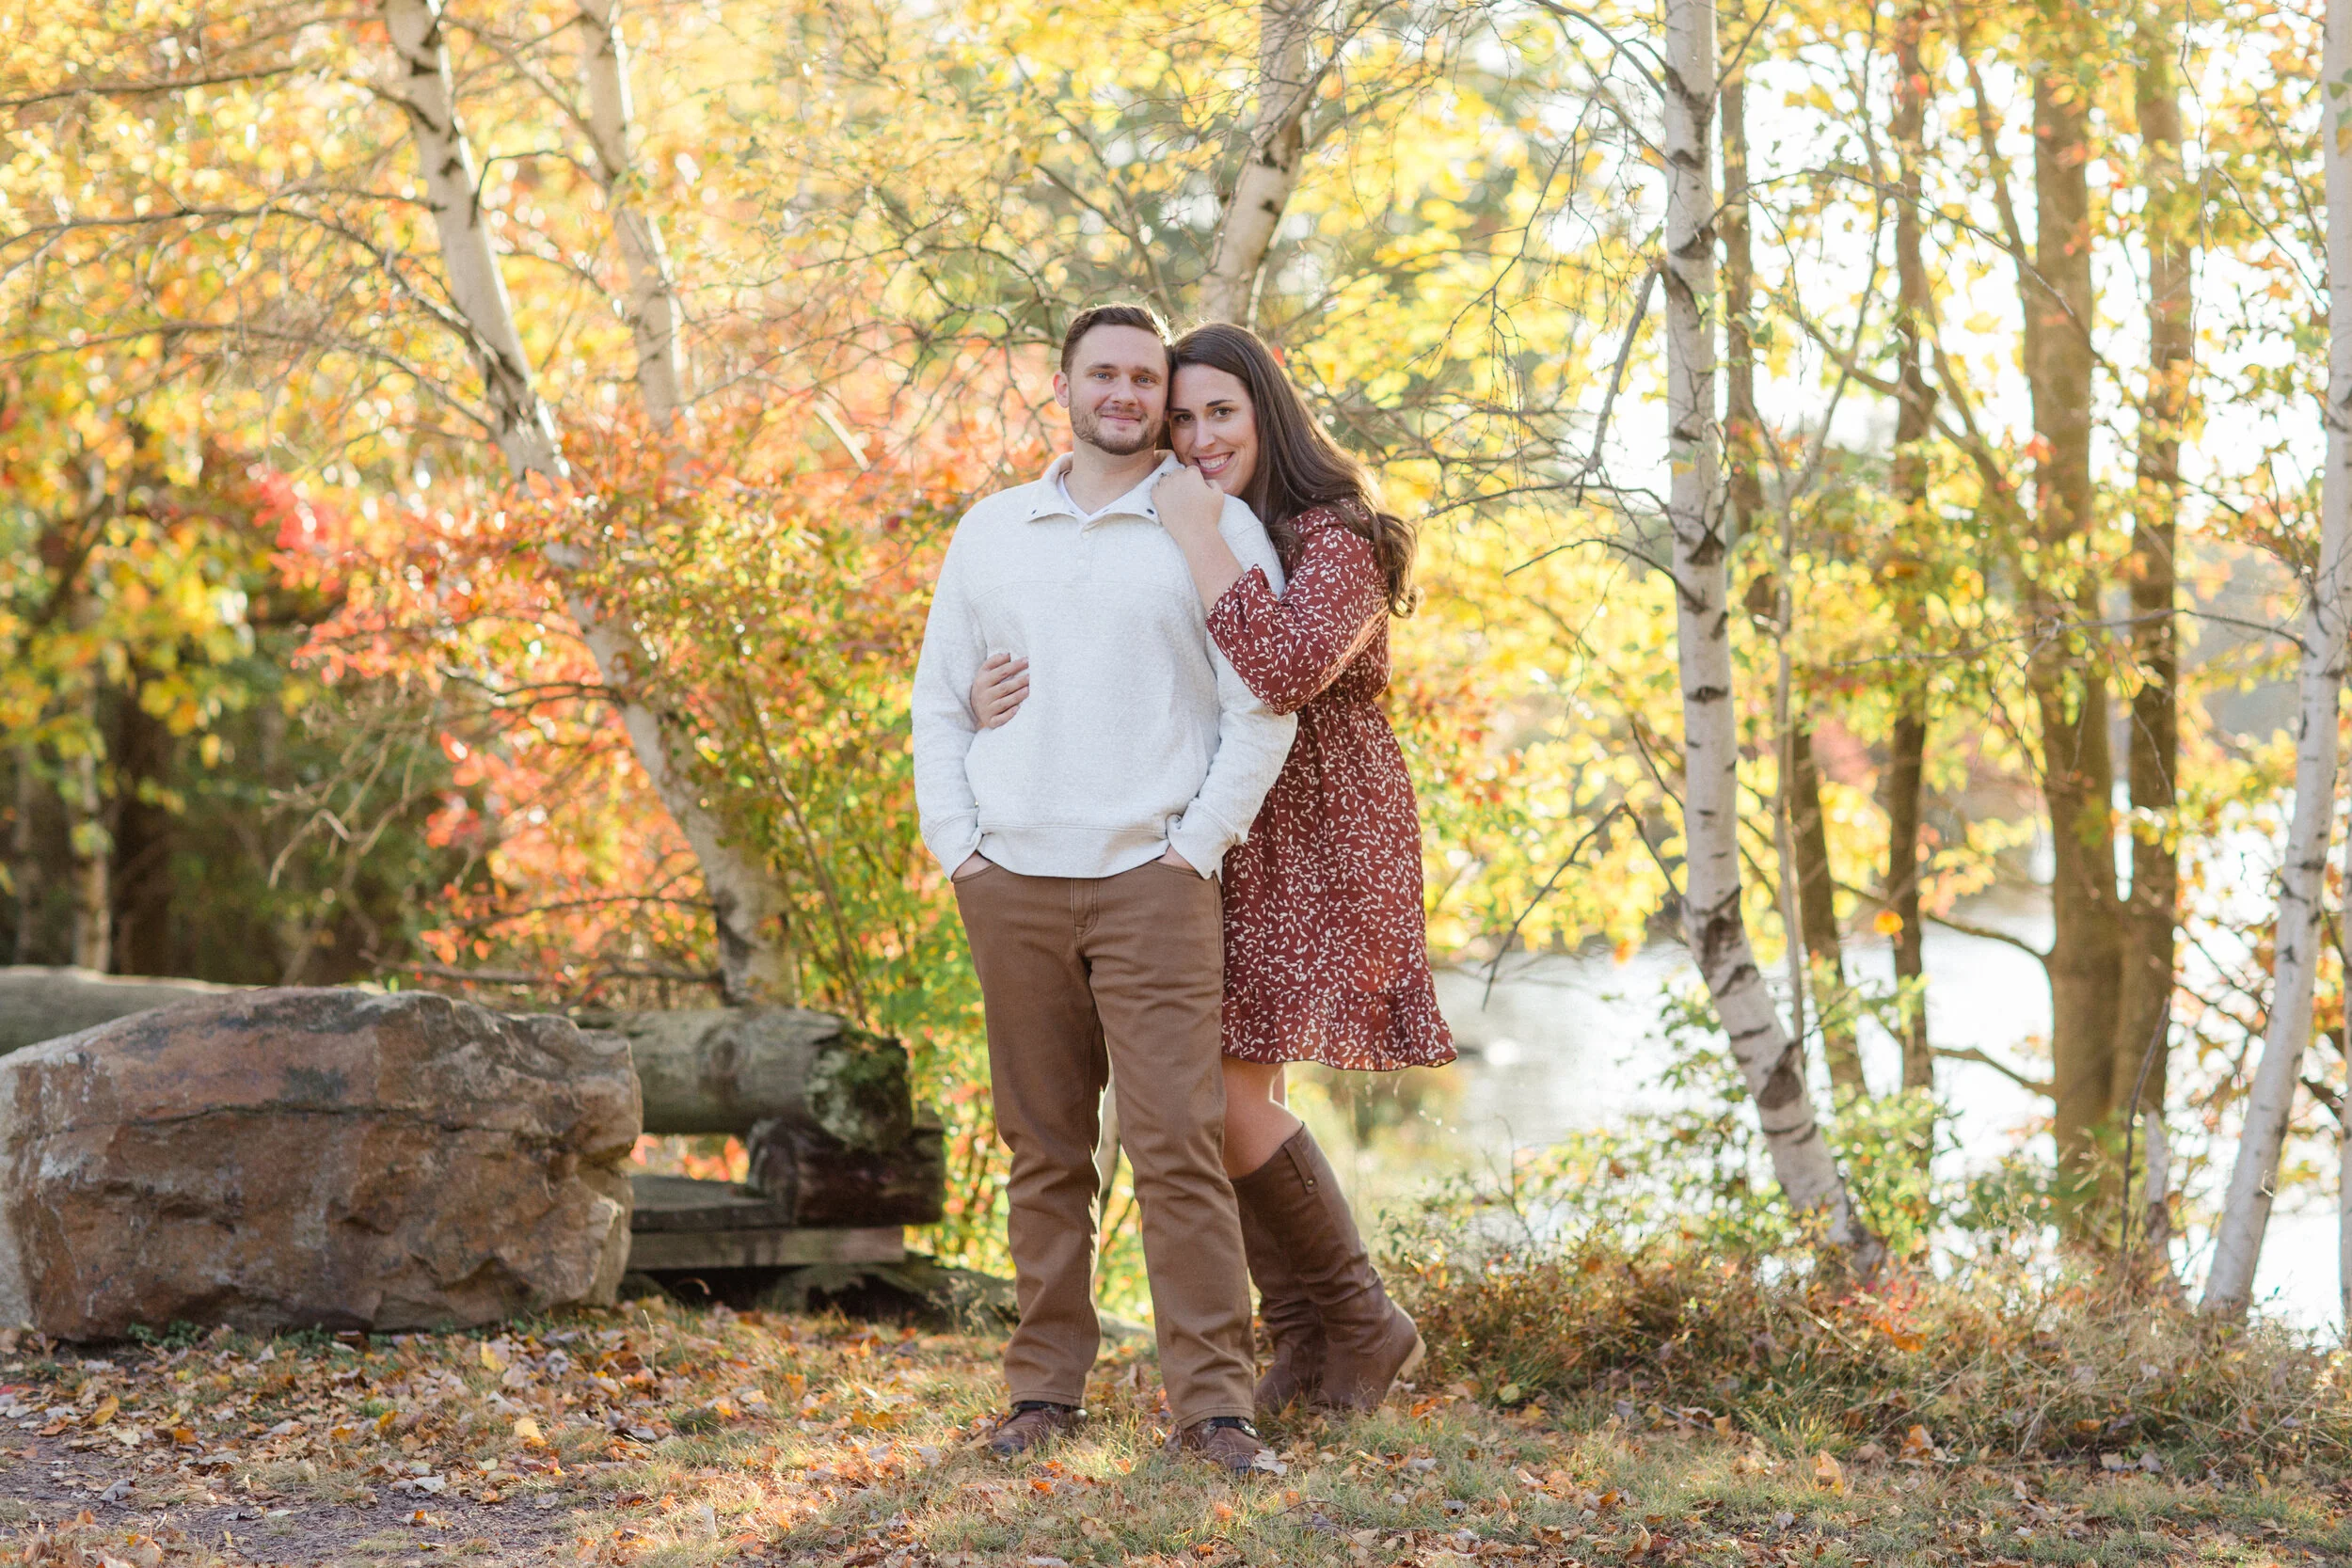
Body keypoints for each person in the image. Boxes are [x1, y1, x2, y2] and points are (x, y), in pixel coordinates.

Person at [972, 320, 1454, 1418]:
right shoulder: (1245, 523)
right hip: (1221, 821)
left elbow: (1281, 670)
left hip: (1315, 834)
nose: (1195, 438)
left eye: (1217, 413)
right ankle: (1305, 1341)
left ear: (1266, 411)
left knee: (1221, 1098)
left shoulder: (1340, 536)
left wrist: (1195, 534)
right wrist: (979, 704)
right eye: (1181, 417)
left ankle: (1364, 1318)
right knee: (1240, 1081)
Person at [911, 303, 1297, 1474]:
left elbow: (1261, 704)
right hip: (1011, 875)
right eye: (1104, 374)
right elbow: (936, 698)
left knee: (1176, 1141)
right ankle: (1042, 1393)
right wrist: (956, 846)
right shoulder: (991, 530)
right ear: (1065, 386)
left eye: (1146, 377)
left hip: (1153, 880)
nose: (1125, 393)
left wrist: (1196, 848)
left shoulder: (1212, 525)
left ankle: (1214, 1410)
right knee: (1042, 1149)